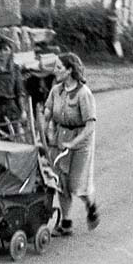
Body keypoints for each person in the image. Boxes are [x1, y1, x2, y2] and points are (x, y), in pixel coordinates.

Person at [43, 52, 100, 235]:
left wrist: (74, 143)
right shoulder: (56, 90)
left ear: (69, 71)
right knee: (61, 182)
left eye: (59, 67)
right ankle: (66, 224)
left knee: (77, 185)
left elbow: (90, 126)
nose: (55, 70)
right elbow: (48, 111)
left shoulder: (84, 94)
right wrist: (46, 129)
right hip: (61, 137)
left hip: (81, 141)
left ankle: (90, 206)